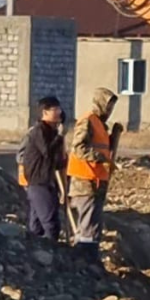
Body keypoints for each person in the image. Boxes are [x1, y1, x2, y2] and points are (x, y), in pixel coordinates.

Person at [66, 87, 122, 267]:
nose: (110, 110)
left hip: (97, 182)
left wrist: (113, 138)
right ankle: (84, 259)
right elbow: (79, 148)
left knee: (94, 223)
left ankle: (90, 258)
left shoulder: (101, 125)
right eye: (108, 106)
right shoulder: (88, 121)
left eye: (112, 107)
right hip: (85, 181)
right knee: (88, 223)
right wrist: (102, 158)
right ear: (100, 102)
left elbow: (102, 147)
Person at [18, 96, 67, 241]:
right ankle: (49, 256)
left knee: (37, 226)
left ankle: (36, 255)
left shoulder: (53, 132)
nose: (59, 112)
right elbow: (47, 152)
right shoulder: (38, 131)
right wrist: (60, 137)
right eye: (55, 109)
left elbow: (57, 161)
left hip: (48, 182)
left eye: (59, 108)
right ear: (45, 112)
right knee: (51, 225)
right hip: (38, 182)